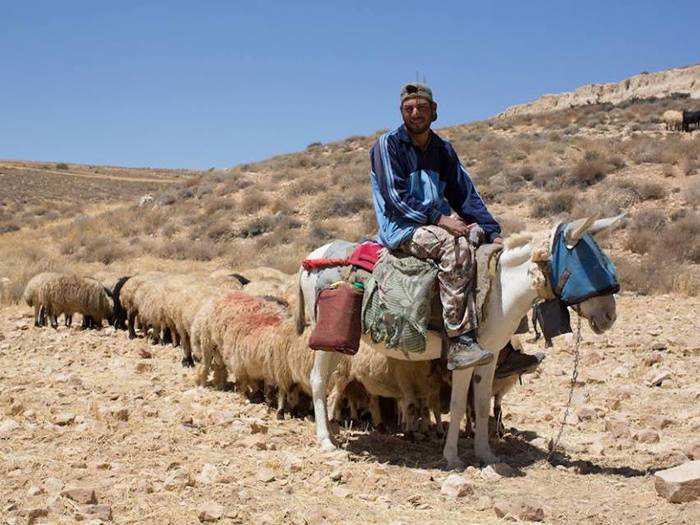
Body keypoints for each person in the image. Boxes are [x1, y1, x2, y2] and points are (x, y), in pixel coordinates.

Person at [369, 82, 539, 375]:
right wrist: (440, 219)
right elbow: (395, 198)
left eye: (421, 108)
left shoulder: (443, 150)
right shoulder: (388, 146)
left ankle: (505, 346)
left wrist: (492, 231)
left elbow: (465, 194)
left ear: (434, 111)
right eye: (408, 109)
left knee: (490, 252)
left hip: (437, 222)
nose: (415, 113)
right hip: (403, 227)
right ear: (401, 112)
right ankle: (460, 341)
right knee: (456, 248)